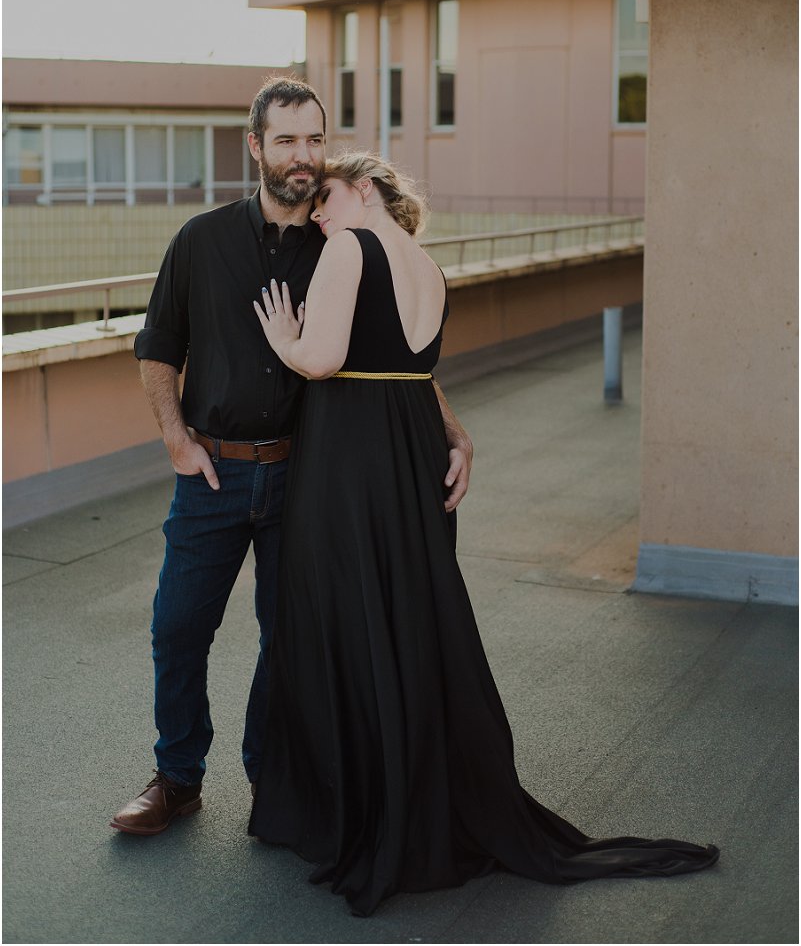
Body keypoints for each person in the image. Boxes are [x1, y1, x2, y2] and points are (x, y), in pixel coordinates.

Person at [248, 151, 720, 917]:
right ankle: (414, 796)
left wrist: (283, 336)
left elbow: (325, 359)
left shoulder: (349, 245)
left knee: (344, 613)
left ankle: (350, 812)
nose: (320, 214)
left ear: (363, 190)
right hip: (409, 448)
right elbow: (411, 369)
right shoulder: (428, 267)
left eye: (328, 198)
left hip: (351, 457)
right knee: (408, 619)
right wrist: (455, 435)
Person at [109, 81, 473, 835]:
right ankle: (176, 778)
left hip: (311, 475)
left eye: (314, 140)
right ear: (256, 147)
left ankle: (272, 776)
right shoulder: (200, 240)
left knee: (293, 636)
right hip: (214, 473)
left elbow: (391, 355)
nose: (303, 156)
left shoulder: (343, 239)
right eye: (286, 141)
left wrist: (453, 428)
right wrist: (176, 440)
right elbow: (157, 349)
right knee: (178, 627)